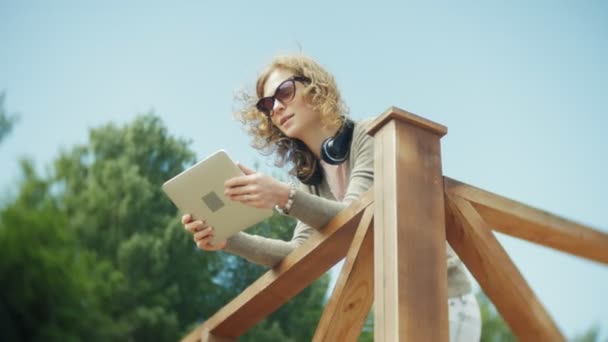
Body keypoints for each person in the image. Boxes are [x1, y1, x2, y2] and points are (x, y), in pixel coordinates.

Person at [181, 54, 481, 341]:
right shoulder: (311, 178)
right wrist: (228, 239)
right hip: (391, 311)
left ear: (316, 88)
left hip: (442, 300)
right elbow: (296, 256)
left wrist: (283, 196)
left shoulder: (370, 134)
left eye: (284, 92)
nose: (276, 108)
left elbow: (354, 217)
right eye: (267, 104)